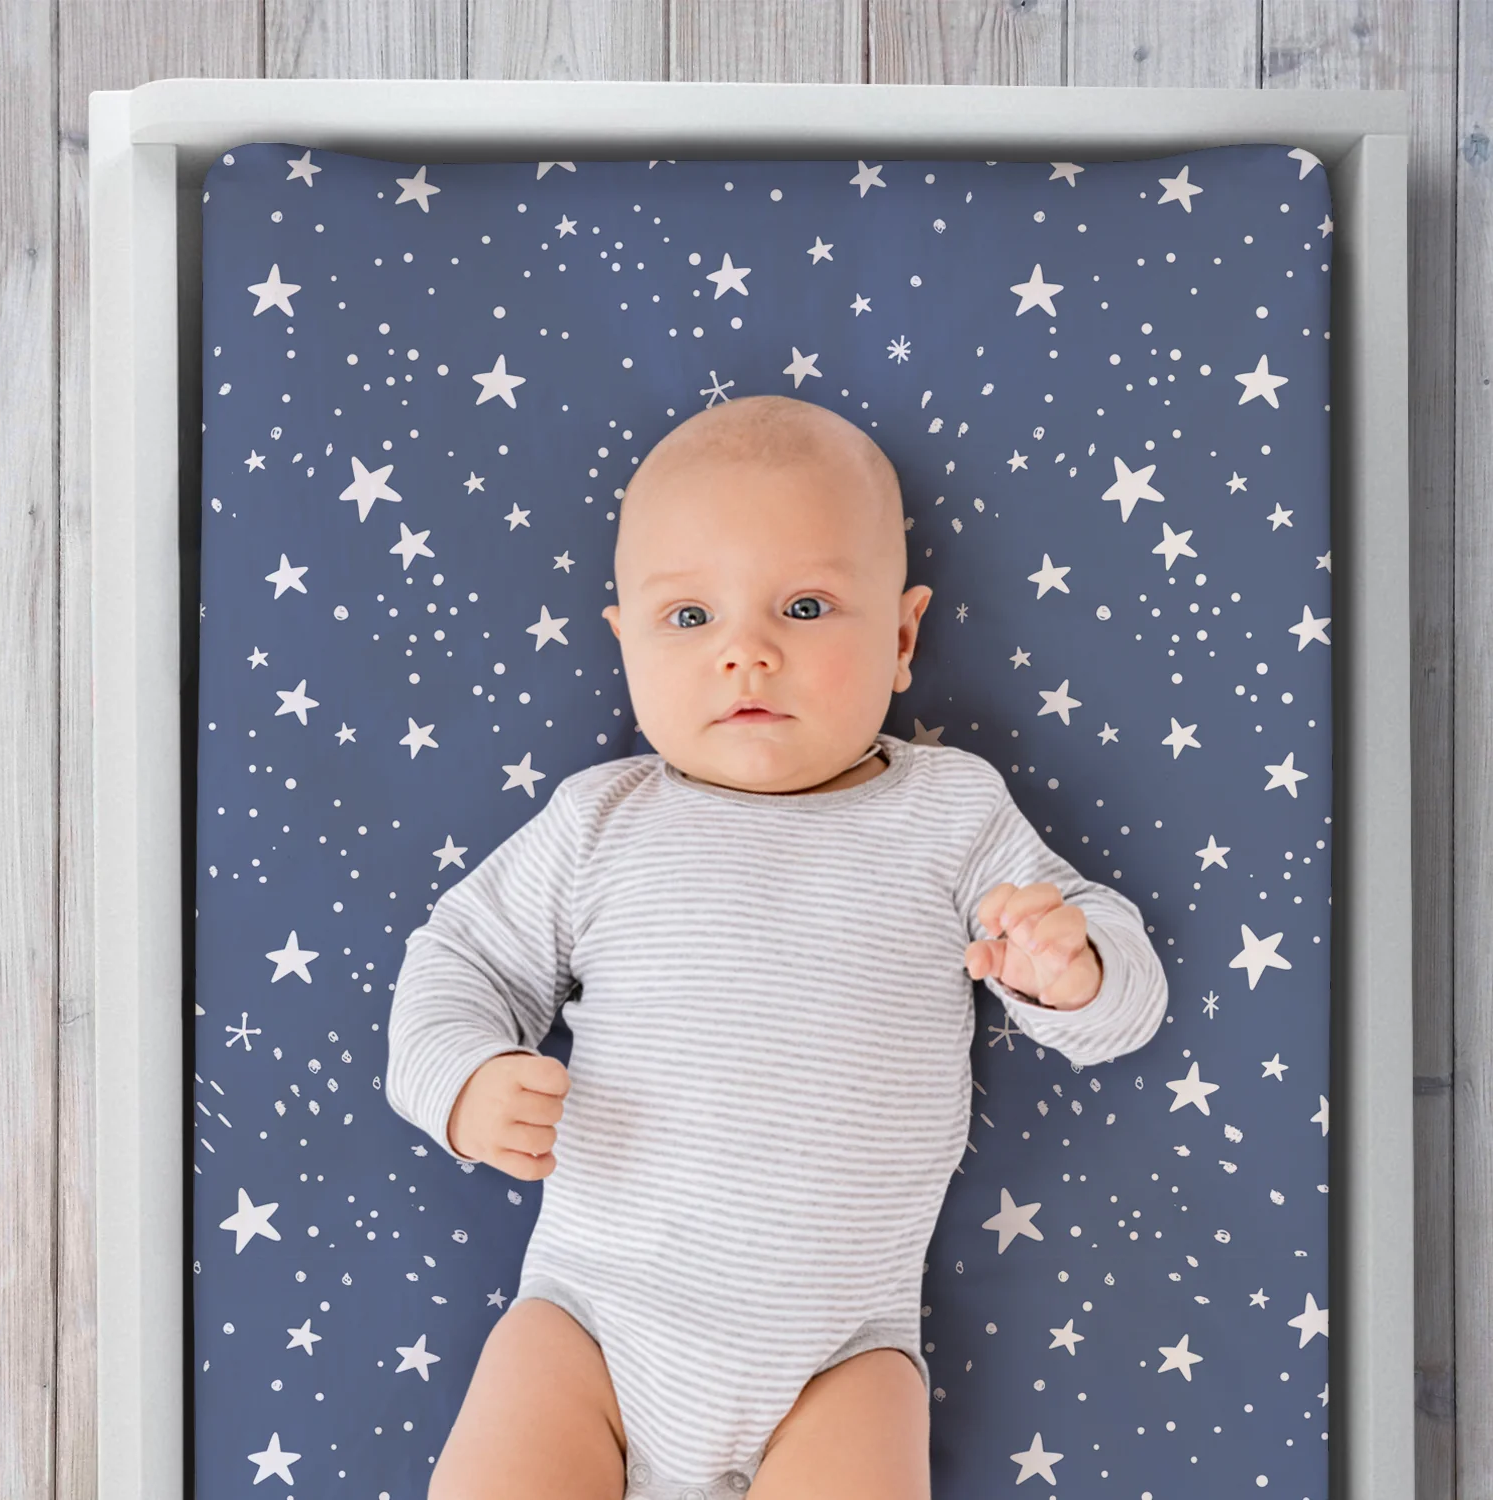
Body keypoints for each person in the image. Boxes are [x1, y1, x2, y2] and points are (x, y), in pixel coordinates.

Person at [385, 393, 1169, 1500]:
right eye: (689, 616)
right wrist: (460, 1084)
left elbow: (1127, 1004)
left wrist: (1070, 969)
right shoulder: (600, 822)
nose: (746, 654)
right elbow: (457, 957)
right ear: (625, 643)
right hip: (590, 1324)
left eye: (804, 607)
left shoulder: (950, 815)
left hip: (838, 1359)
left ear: (902, 638)